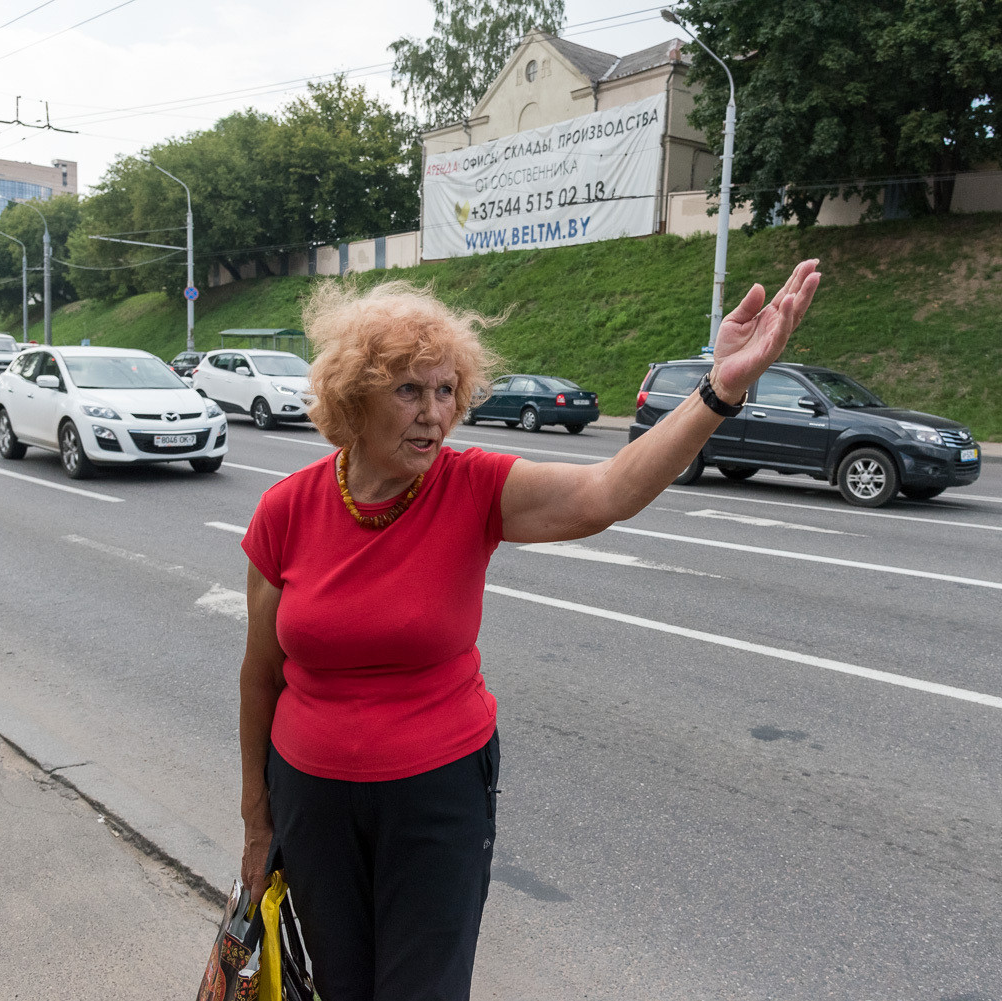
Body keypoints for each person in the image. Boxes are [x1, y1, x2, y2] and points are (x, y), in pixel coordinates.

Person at [238, 262, 821, 1001]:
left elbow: (609, 490)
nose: (433, 412)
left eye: (447, 389)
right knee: (340, 988)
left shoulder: (472, 487)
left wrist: (719, 388)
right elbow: (260, 678)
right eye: (409, 389)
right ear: (354, 398)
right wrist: (258, 820)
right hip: (310, 797)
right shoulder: (286, 510)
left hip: (436, 792)